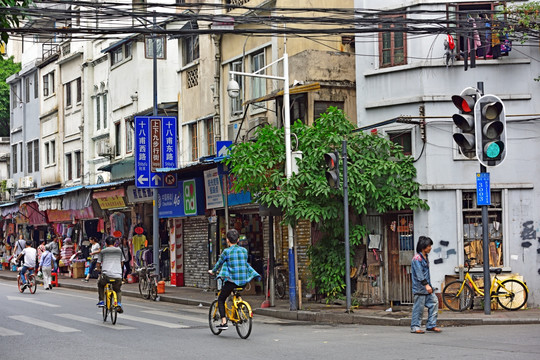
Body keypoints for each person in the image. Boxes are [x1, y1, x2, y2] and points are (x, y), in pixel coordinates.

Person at [208, 229, 260, 330]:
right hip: (244, 282)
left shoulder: (226, 252)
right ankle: (238, 307)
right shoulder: (244, 251)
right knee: (236, 293)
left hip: (232, 282)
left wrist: (213, 271)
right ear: (238, 240)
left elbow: (219, 263)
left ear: (227, 240)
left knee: (221, 299)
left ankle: (223, 322)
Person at [410, 236, 442, 334]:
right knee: (418, 308)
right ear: (423, 247)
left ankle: (431, 325)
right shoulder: (417, 259)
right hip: (420, 288)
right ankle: (415, 327)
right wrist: (426, 285)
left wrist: (429, 286)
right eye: (429, 246)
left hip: (427, 287)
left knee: (434, 303)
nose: (430, 248)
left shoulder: (425, 257)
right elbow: (419, 274)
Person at [96, 236, 125, 313]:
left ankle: (101, 300)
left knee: (100, 284)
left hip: (106, 275)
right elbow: (122, 263)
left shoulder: (103, 251)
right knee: (118, 290)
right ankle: (118, 303)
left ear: (106, 243)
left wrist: (98, 269)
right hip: (118, 276)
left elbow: (98, 264)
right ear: (115, 243)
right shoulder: (119, 251)